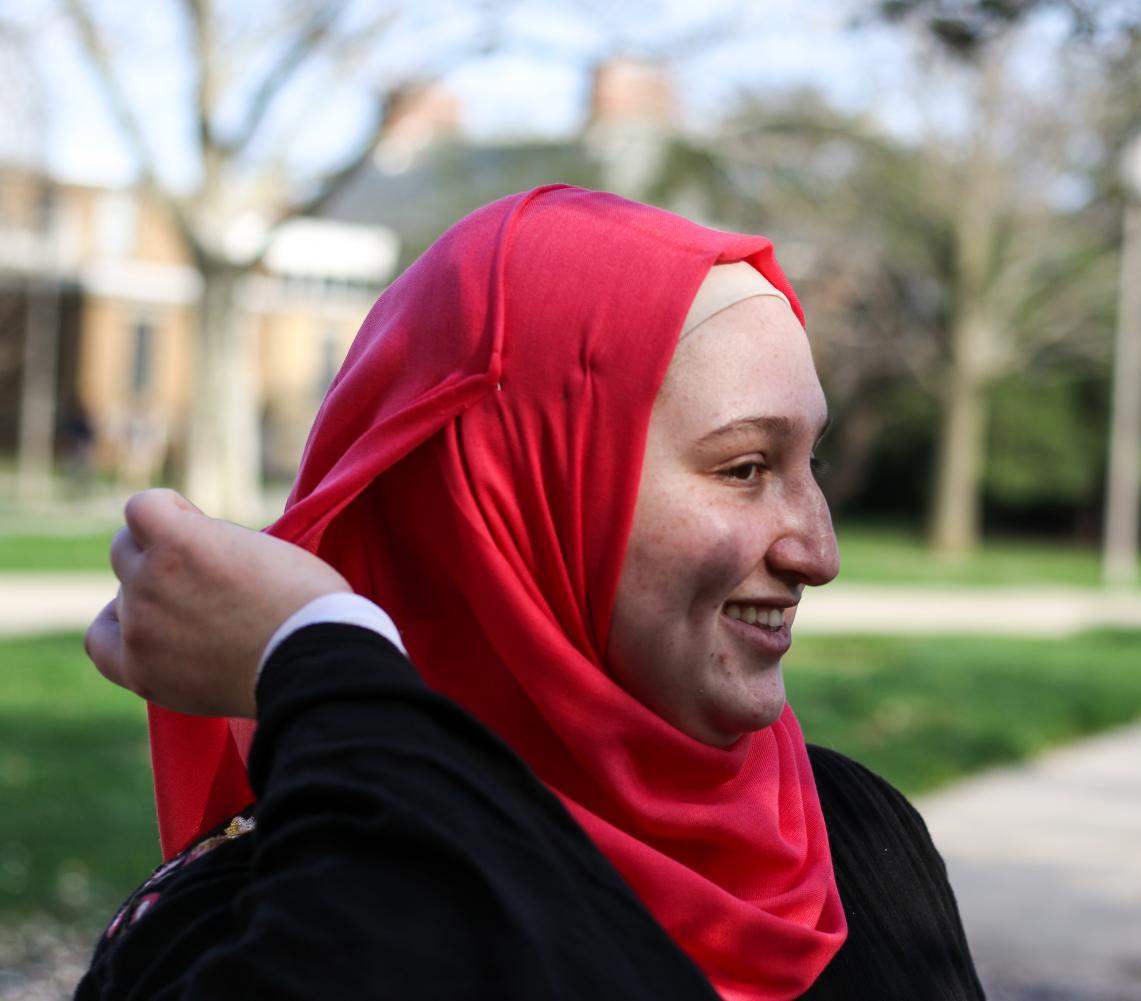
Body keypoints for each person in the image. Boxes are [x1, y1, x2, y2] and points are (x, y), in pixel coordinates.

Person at [78, 185, 983, 1000]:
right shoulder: (255, 917)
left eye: (808, 462)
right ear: (501, 498)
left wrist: (324, 666)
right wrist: (321, 651)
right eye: (745, 467)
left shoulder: (850, 835)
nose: (818, 551)